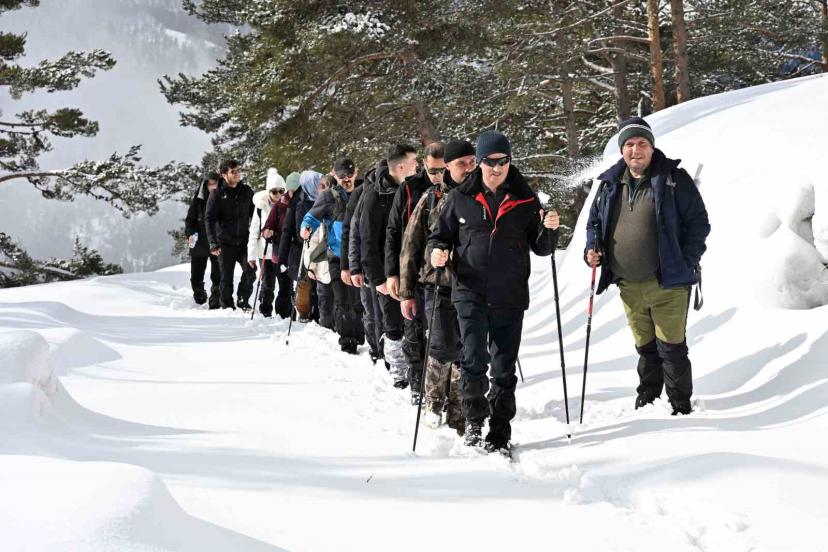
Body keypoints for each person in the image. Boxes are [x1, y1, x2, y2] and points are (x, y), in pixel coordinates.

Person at [429, 131, 560, 455]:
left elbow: (541, 248)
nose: (496, 168)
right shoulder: (460, 197)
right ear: (481, 163)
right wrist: (437, 253)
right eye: (490, 161)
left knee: (503, 368)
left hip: (509, 294)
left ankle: (500, 432)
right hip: (469, 291)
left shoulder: (525, 198)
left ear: (509, 162)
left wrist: (551, 230)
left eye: (503, 162)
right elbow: (438, 237)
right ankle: (474, 423)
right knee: (473, 361)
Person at [585, 117, 710, 416]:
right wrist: (592, 248)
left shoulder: (674, 179)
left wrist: (685, 261)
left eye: (642, 143)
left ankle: (680, 406)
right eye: (629, 144)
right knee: (646, 347)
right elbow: (594, 223)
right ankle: (648, 400)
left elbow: (699, 224)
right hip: (628, 285)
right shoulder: (610, 184)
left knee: (671, 347)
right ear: (622, 150)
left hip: (667, 283)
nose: (635, 150)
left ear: (652, 148)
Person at [400, 139, 477, 434]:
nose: (468, 169)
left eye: (472, 162)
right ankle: (433, 401)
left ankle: (458, 408)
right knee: (442, 345)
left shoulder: (483, 196)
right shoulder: (431, 198)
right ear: (448, 167)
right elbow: (410, 245)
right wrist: (406, 292)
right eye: (461, 164)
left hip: (472, 286)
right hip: (437, 285)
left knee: (465, 349)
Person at [384, 142, 445, 403]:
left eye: (442, 170)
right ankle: (417, 384)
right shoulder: (409, 188)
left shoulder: (456, 189)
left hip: (442, 273)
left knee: (442, 333)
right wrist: (392, 273)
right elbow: (393, 232)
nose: (437, 177)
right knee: (413, 329)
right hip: (412, 270)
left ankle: (441, 388)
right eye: (432, 171)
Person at [359, 144, 419, 388]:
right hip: (388, 270)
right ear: (401, 167)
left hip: (412, 266)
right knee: (393, 322)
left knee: (414, 321)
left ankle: (416, 367)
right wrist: (378, 279)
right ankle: (397, 368)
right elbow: (367, 239)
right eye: (415, 163)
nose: (419, 167)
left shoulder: (415, 189)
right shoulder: (375, 195)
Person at [300, 161, 365, 354]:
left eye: (349, 174)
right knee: (342, 300)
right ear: (334, 175)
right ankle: (347, 341)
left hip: (361, 256)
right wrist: (306, 227)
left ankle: (360, 335)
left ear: (356, 172)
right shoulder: (329, 196)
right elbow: (311, 216)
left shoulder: (365, 191)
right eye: (341, 176)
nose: (346, 179)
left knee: (358, 301)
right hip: (336, 255)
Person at [205, 159, 256, 310]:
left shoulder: (247, 191)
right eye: (233, 172)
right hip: (224, 243)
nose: (237, 174)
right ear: (224, 175)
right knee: (226, 278)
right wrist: (212, 243)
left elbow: (256, 215)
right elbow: (209, 219)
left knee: (251, 271)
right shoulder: (216, 194)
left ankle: (243, 299)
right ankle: (227, 306)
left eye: (239, 171)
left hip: (244, 242)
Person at [347, 162, 385, 365]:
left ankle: (388, 350)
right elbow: (352, 232)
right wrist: (353, 266)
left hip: (389, 262)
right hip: (367, 262)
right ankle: (375, 349)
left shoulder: (402, 190)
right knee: (371, 310)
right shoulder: (365, 195)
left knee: (387, 312)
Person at [249, 168, 291, 318]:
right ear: (268, 192)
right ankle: (265, 311)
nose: (278, 195)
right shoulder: (260, 207)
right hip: (265, 252)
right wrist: (251, 256)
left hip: (282, 251)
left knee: (285, 284)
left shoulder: (288, 205)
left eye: (281, 191)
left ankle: (284, 313)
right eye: (274, 191)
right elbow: (253, 232)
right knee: (268, 285)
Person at [278, 171, 318, 322]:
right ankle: (303, 312)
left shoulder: (322, 196)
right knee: (304, 282)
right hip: (301, 247)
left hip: (320, 246)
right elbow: (287, 231)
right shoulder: (296, 202)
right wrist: (282, 257)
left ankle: (317, 313)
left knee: (318, 282)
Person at [185, 171, 221, 309]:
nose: (212, 186)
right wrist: (189, 234)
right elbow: (190, 219)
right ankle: (199, 297)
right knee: (196, 275)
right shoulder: (199, 200)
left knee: (218, 274)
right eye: (210, 184)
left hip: (216, 240)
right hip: (199, 239)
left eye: (215, 183)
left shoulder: (223, 198)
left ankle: (215, 301)